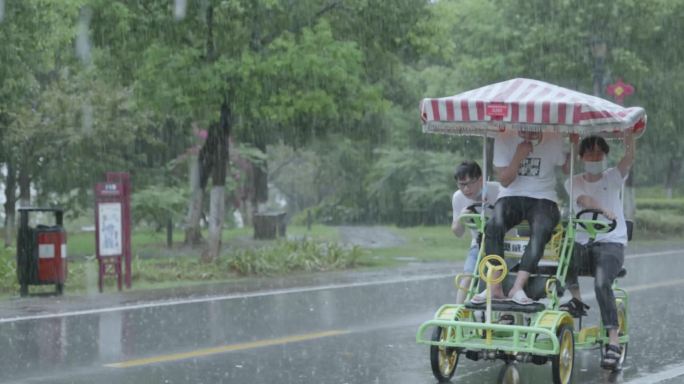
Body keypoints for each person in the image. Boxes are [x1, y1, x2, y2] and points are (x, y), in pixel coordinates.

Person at [562, 130, 635, 370]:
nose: (595, 157)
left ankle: (613, 342)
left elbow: (629, 157)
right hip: (584, 244)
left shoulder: (613, 177)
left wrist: (629, 135)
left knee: (602, 283)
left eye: (599, 153)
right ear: (582, 156)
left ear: (605, 156)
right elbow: (584, 201)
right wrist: (603, 210)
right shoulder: (573, 181)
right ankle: (576, 301)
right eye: (590, 153)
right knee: (561, 256)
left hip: (611, 243)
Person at [471, 130, 568, 305]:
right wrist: (518, 156)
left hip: (543, 197)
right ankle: (495, 285)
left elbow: (567, 168)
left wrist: (573, 144)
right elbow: (505, 181)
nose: (528, 129)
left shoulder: (554, 136)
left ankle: (518, 286)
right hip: (511, 195)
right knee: (493, 226)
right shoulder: (504, 136)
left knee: (541, 228)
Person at [450, 161, 501, 304]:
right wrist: (461, 217)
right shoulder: (458, 197)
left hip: (504, 243)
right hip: (479, 243)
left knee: (500, 277)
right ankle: (458, 313)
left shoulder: (498, 190)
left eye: (469, 184)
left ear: (480, 180)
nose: (466, 189)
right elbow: (457, 232)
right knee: (468, 275)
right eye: (461, 185)